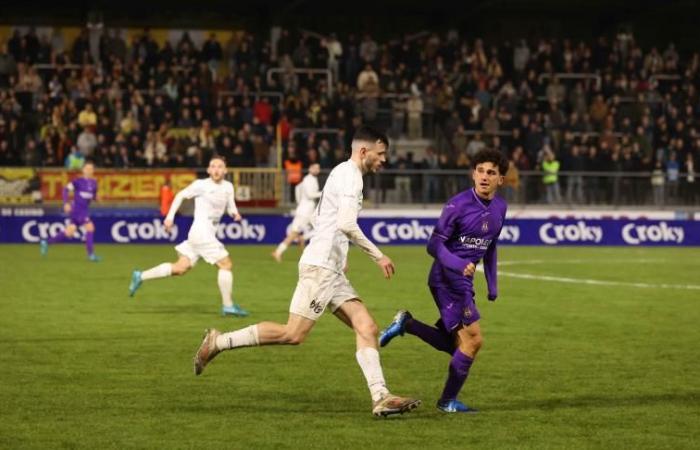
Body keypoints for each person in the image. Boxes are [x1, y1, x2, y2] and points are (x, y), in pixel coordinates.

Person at [192, 126, 421, 417]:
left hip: (330, 266)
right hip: (322, 267)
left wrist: (338, 253)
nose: (384, 160)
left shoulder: (339, 172)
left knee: (367, 327)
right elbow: (347, 224)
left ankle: (381, 396)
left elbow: (320, 217)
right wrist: (378, 255)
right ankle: (219, 342)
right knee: (293, 333)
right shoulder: (351, 177)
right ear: (364, 151)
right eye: (381, 153)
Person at [378, 148, 509, 414]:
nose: (485, 177)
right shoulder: (457, 205)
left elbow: (490, 246)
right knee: (473, 341)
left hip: (464, 282)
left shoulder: (500, 208)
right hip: (445, 278)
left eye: (491, 173)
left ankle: (408, 324)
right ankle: (447, 401)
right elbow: (433, 245)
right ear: (473, 174)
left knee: (458, 345)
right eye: (481, 171)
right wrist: (459, 264)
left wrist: (492, 284)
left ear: (500, 180)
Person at [128, 156, 249, 317]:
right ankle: (228, 306)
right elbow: (180, 196)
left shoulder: (228, 187)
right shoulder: (201, 185)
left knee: (180, 268)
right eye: (213, 166)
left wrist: (235, 214)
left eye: (220, 166)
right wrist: (170, 217)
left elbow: (231, 206)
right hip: (202, 232)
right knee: (225, 264)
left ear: (225, 170)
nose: (216, 169)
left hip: (202, 234)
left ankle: (140, 276)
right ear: (208, 170)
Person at [40, 160, 101, 262]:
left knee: (69, 232)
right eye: (87, 168)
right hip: (77, 209)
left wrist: (96, 199)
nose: (89, 170)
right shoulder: (77, 181)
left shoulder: (94, 183)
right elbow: (65, 189)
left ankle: (46, 243)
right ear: (83, 170)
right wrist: (66, 203)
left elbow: (93, 196)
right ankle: (91, 255)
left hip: (84, 210)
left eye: (91, 169)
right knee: (90, 227)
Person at [272, 163, 321, 262]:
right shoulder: (308, 179)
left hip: (307, 210)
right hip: (305, 211)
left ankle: (304, 249)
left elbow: (297, 188)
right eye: (315, 167)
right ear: (310, 168)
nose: (317, 169)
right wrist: (323, 193)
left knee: (319, 228)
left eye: (318, 168)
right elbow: (310, 195)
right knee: (295, 233)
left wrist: (299, 202)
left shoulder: (310, 179)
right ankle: (278, 252)